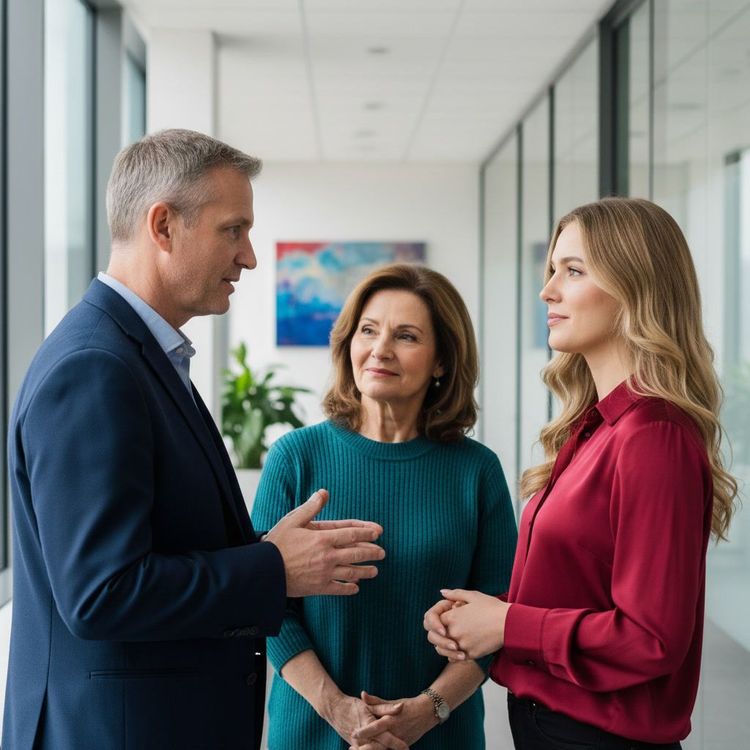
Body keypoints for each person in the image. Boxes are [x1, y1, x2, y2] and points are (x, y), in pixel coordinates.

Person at [2, 128, 386, 750]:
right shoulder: (95, 367)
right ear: (163, 227)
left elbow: (156, 549)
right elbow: (102, 594)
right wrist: (272, 567)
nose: (250, 257)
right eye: (233, 230)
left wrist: (268, 551)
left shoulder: (139, 356)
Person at [424, 197, 738, 749]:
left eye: (573, 271)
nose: (548, 291)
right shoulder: (594, 429)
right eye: (552, 271)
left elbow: (651, 638)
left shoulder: (652, 435)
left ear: (634, 285)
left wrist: (505, 625)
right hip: (552, 726)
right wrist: (481, 621)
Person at [251, 263, 518, 750]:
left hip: (440, 735)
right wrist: (337, 707)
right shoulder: (295, 457)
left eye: (407, 336)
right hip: (313, 732)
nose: (380, 349)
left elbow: (499, 612)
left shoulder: (477, 471)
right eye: (368, 330)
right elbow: (264, 605)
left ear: (441, 361)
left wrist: (425, 712)